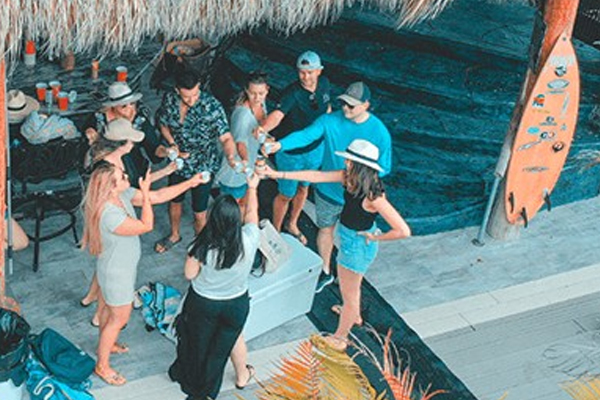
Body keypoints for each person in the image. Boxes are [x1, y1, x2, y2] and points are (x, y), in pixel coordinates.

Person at [263, 139, 410, 350]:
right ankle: (354, 314)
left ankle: (340, 338)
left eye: (350, 160)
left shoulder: (373, 196)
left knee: (350, 293)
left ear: (359, 165)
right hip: (351, 240)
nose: (346, 163)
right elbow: (317, 176)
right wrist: (279, 175)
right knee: (351, 290)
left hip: (357, 246)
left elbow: (403, 230)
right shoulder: (350, 179)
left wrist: (376, 238)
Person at [82, 161, 208, 386]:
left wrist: (190, 183)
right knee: (118, 319)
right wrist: (147, 194)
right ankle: (102, 366)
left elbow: (159, 195)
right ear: (111, 186)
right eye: (122, 176)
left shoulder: (120, 195)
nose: (126, 177)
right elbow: (145, 225)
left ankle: (107, 345)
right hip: (116, 274)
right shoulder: (109, 213)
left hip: (115, 269)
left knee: (105, 313)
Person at [266, 81, 392, 293]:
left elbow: (384, 168)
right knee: (325, 229)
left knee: (355, 240)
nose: (345, 109)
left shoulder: (379, 132)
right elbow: (306, 135)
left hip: (357, 197)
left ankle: (353, 278)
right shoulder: (329, 121)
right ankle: (325, 271)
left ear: (366, 105)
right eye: (344, 104)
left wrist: (358, 181)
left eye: (351, 106)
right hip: (329, 191)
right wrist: (280, 145)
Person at [169, 172, 261, 400]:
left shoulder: (202, 246)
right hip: (236, 304)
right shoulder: (249, 239)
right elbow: (252, 214)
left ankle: (192, 384)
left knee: (199, 346)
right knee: (225, 344)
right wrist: (253, 188)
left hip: (203, 304)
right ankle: (239, 377)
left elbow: (189, 274)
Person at [80, 118, 177, 321]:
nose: (134, 144)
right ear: (121, 144)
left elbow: (137, 187)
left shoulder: (114, 158)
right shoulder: (108, 166)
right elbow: (140, 200)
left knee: (104, 258)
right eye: (131, 140)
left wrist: (166, 172)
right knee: (108, 259)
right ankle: (99, 313)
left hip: (103, 208)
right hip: (106, 211)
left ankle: (92, 301)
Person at [155, 70, 238, 253]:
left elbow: (226, 138)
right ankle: (174, 235)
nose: (192, 100)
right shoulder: (169, 100)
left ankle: (201, 247)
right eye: (186, 96)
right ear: (177, 90)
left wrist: (231, 156)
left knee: (199, 211)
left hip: (203, 165)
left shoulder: (212, 106)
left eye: (195, 94)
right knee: (174, 200)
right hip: (178, 162)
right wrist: (172, 143)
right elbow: (163, 124)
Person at [255, 51, 331, 246]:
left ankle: (292, 224)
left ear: (319, 71)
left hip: (315, 149)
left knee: (304, 187)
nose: (305, 77)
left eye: (310, 72)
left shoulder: (325, 85)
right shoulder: (291, 93)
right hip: (291, 154)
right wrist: (263, 128)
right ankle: (276, 232)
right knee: (285, 194)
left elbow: (327, 108)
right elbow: (278, 115)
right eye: (302, 72)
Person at [84, 82, 173, 188]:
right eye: (124, 106)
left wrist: (166, 151)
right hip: (106, 169)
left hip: (132, 167)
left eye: (132, 103)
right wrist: (89, 131)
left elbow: (153, 147)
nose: (130, 109)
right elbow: (88, 130)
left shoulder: (140, 120)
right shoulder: (99, 118)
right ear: (114, 107)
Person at [215, 71, 269, 211]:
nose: (257, 98)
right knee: (231, 209)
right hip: (236, 170)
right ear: (246, 90)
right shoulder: (243, 115)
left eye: (261, 93)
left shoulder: (262, 105)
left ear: (267, 90)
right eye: (253, 93)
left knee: (245, 202)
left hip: (250, 164)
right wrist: (245, 160)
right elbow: (240, 143)